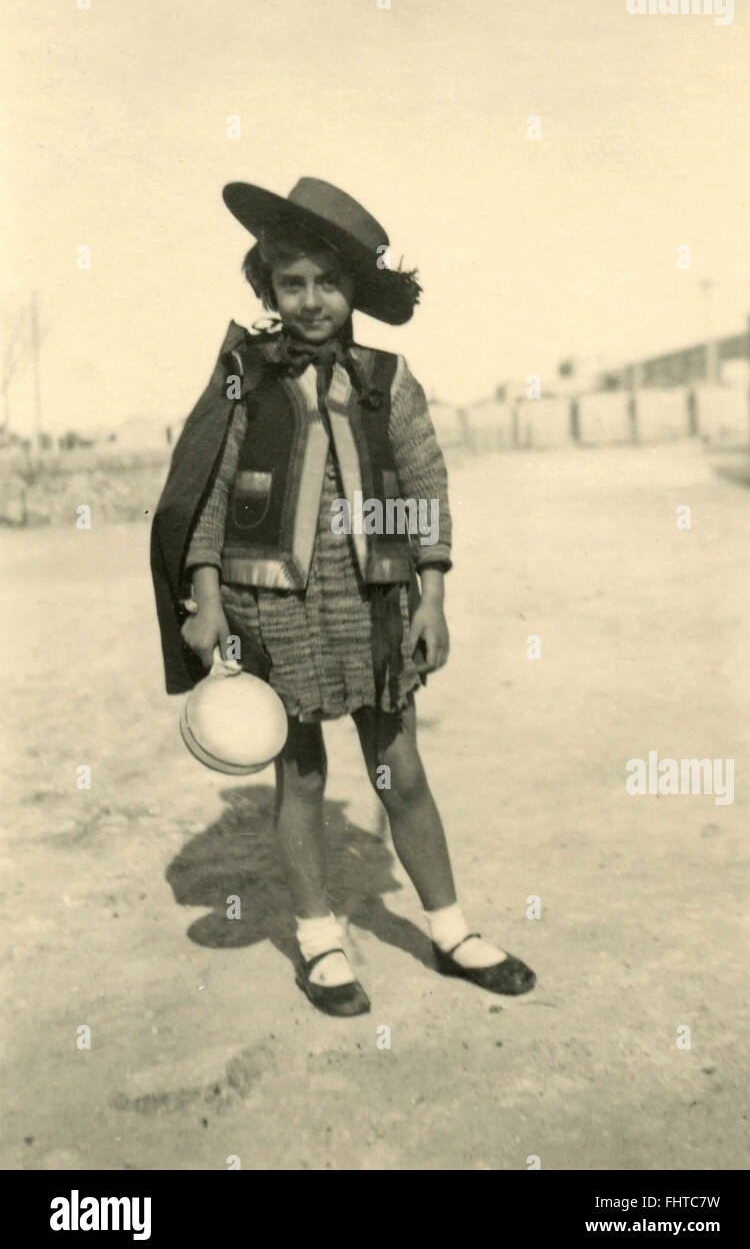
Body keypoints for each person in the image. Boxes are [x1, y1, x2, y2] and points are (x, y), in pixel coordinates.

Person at [151, 177, 536, 1016]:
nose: (312, 300)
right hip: (270, 612)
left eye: (328, 282)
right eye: (293, 283)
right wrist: (206, 597)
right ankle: (322, 941)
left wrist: (432, 596)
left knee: (401, 771)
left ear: (354, 289)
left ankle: (450, 929)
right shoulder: (242, 379)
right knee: (301, 776)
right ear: (268, 287)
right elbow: (208, 493)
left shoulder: (387, 381)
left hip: (375, 609)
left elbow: (425, 484)